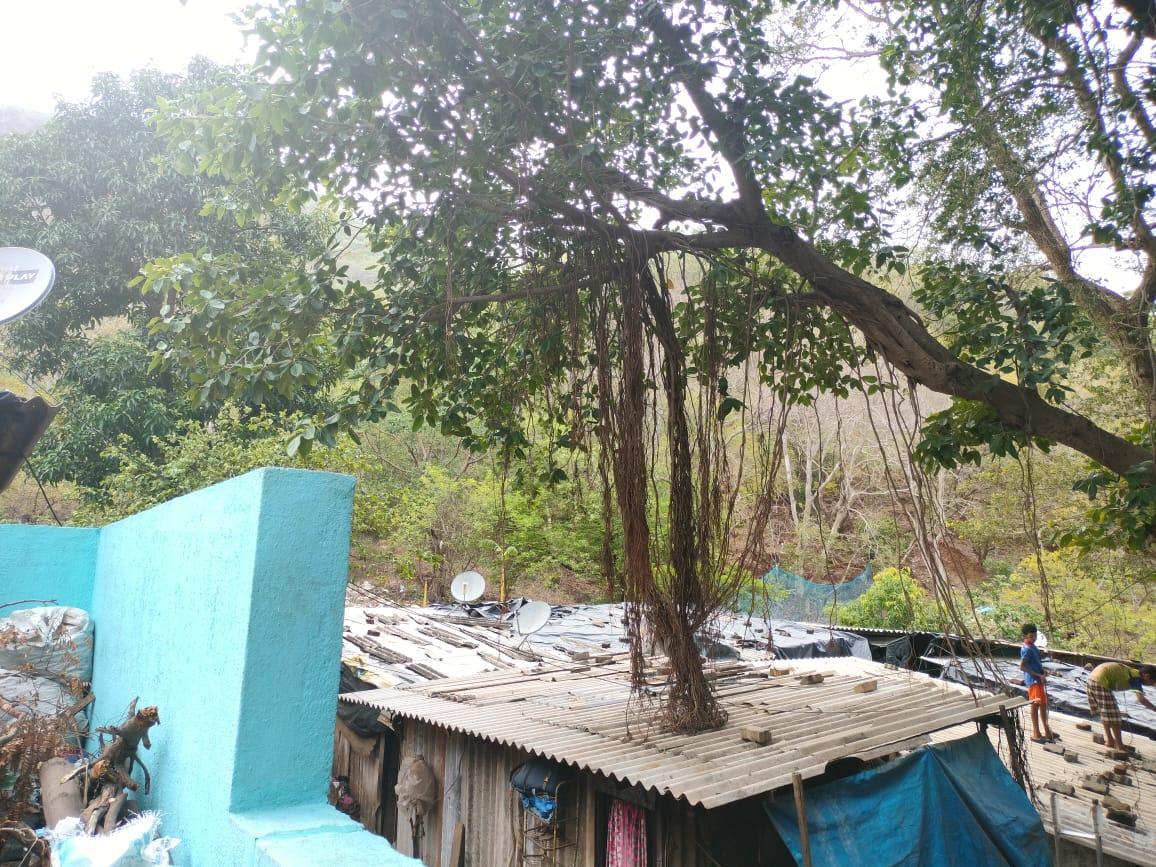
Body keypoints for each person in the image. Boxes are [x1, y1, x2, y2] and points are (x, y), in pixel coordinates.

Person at [1086, 661, 1156, 751]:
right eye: (1152, 682)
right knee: (1115, 717)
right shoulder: (1136, 678)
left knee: (1105, 713)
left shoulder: (1133, 673)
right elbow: (1141, 699)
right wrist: (1154, 708)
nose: (1151, 685)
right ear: (1147, 676)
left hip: (1093, 678)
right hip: (1100, 681)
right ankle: (1119, 746)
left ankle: (1110, 740)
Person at [1020, 624, 1056, 743]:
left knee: (1043, 705)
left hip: (1038, 679)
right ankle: (1036, 732)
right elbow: (1022, 666)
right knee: (1035, 705)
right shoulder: (1027, 649)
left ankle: (1046, 729)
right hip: (1033, 680)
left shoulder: (1032, 646)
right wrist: (1038, 675)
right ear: (1025, 636)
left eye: (1035, 635)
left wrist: (1042, 672)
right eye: (1031, 636)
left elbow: (1035, 662)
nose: (1034, 637)